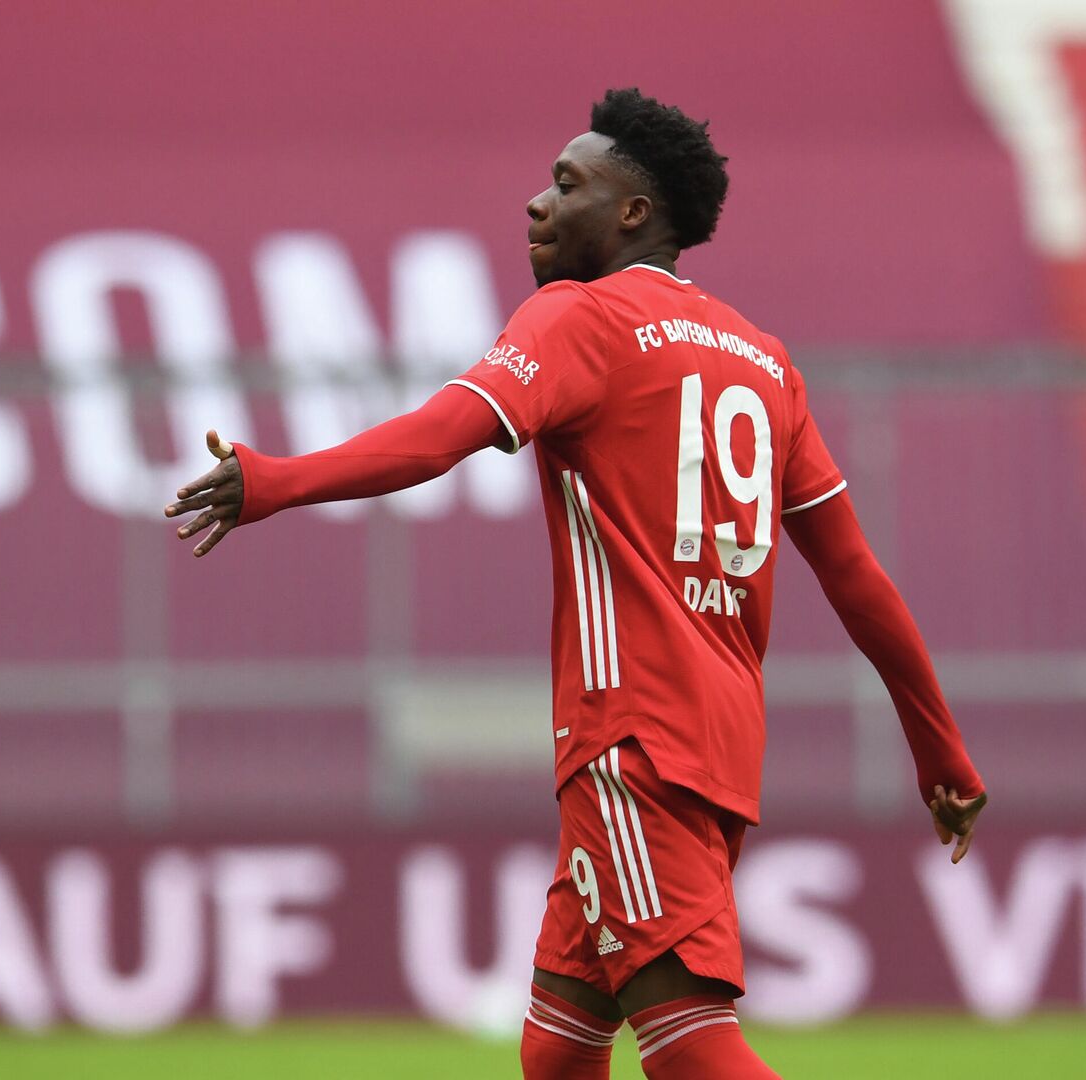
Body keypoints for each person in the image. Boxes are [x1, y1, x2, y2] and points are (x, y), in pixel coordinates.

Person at [165, 88, 987, 1079]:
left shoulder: (579, 320)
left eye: (567, 183)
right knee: (559, 1049)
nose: (536, 204)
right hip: (717, 746)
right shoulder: (766, 365)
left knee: (691, 1047)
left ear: (633, 212)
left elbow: (437, 437)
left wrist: (277, 481)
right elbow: (856, 577)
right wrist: (942, 755)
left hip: (630, 738)